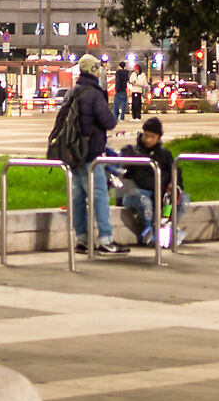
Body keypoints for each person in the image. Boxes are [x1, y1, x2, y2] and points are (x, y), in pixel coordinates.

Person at [67, 52, 128, 253]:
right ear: (93, 70)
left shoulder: (73, 92)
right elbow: (109, 122)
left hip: (73, 152)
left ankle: (82, 238)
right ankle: (105, 238)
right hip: (91, 153)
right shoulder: (93, 93)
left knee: (78, 196)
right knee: (100, 195)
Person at [118, 113, 186, 246]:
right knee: (145, 203)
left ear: (159, 137)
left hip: (159, 194)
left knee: (179, 200)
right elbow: (128, 174)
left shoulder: (164, 155)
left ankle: (164, 230)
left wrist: (173, 183)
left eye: (152, 137)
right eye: (146, 135)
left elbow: (176, 172)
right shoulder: (132, 152)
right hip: (135, 193)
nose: (148, 140)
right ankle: (151, 234)